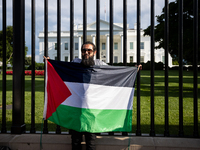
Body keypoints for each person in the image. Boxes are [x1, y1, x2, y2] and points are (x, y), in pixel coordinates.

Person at [44, 41, 142, 150]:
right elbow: (61, 70)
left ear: (94, 52)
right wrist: (50, 63)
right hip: (76, 109)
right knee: (75, 141)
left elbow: (113, 73)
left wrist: (133, 70)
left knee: (91, 142)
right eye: (84, 50)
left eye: (89, 50)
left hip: (92, 110)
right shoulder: (75, 63)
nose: (86, 52)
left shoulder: (100, 64)